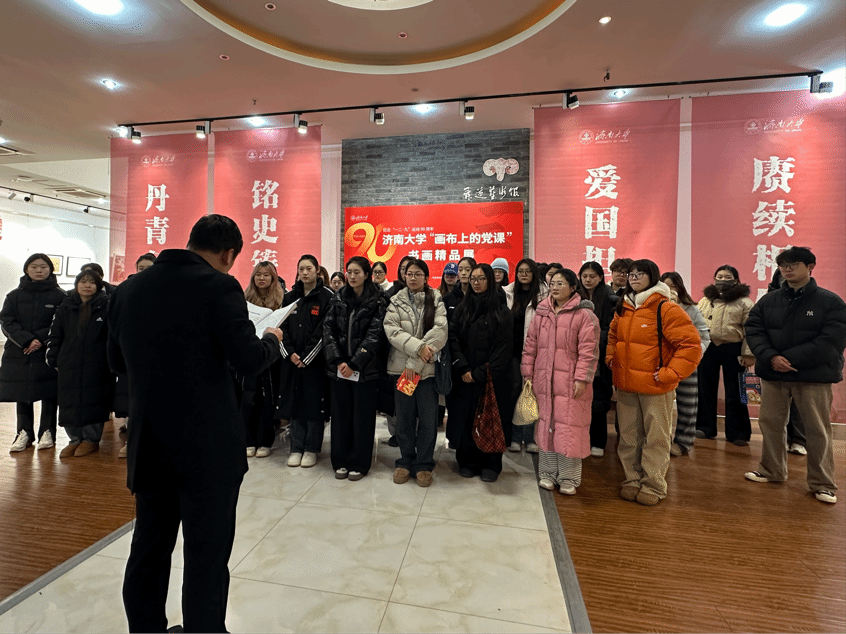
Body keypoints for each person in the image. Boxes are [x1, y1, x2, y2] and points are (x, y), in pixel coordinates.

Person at [108, 214, 282, 633]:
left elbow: (116, 362)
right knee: (206, 555)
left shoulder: (129, 288)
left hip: (150, 442)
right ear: (228, 254)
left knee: (148, 550)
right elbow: (249, 360)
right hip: (208, 448)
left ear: (190, 241)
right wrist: (270, 340)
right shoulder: (219, 286)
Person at [744, 247, 846, 505]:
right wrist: (771, 357)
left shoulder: (830, 302)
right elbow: (754, 329)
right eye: (783, 265)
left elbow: (832, 340)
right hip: (774, 373)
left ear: (810, 266)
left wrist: (790, 359)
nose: (787, 269)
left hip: (813, 376)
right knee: (770, 423)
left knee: (817, 429)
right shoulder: (769, 300)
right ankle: (771, 470)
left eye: (793, 264)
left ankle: (823, 483)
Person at [606, 259, 701, 506]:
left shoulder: (666, 308)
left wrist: (671, 373)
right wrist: (610, 358)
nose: (634, 278)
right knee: (629, 438)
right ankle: (632, 479)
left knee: (656, 438)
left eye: (640, 274)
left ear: (653, 277)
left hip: (655, 388)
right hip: (626, 385)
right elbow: (613, 336)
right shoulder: (624, 306)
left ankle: (654, 485)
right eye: (631, 274)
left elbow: (691, 345)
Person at [522, 269, 599, 494]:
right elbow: (531, 345)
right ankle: (547, 473)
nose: (555, 288)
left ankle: (568, 478)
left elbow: (589, 352)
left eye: (560, 284)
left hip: (571, 382)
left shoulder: (584, 315)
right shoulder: (542, 312)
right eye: (553, 284)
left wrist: (582, 378)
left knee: (569, 428)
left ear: (573, 287)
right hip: (543, 380)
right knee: (546, 425)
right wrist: (528, 373)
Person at [383, 259, 448, 487]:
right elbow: (392, 331)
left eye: (418, 274)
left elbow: (441, 331)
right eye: (409, 273)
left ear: (426, 277)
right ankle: (405, 461)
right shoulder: (396, 301)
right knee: (404, 419)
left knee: (428, 421)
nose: (412, 277)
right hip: (403, 371)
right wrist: (419, 349)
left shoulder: (436, 298)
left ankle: (424, 464)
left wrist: (416, 362)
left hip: (426, 373)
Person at [447, 264, 513, 482]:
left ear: (490, 281)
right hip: (464, 376)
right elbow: (452, 338)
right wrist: (463, 368)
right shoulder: (463, 308)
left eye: (481, 279)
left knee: (491, 420)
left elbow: (503, 348)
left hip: (491, 378)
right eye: (473, 278)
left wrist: (481, 372)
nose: (476, 283)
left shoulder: (501, 311)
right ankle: (466, 461)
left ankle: (490, 464)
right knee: (464, 418)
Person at [323, 256, 387, 481]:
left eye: (356, 272)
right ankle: (340, 460)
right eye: (349, 272)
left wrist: (354, 363)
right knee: (340, 417)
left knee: (362, 418)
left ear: (367, 274)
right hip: (340, 368)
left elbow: (375, 335)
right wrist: (339, 361)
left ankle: (359, 463)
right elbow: (328, 329)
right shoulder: (339, 297)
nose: (351, 276)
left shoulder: (378, 299)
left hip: (365, 370)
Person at [47, 269, 114, 457]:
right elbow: (55, 334)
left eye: (92, 282)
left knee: (93, 399)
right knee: (69, 400)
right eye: (83, 281)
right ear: (77, 285)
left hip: (98, 364)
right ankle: (74, 439)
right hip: (69, 363)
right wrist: (54, 358)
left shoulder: (107, 306)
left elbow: (113, 337)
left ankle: (91, 440)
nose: (87, 285)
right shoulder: (65, 306)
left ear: (98, 286)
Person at [2, 254, 65, 452]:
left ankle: (47, 431)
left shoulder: (60, 295)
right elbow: (6, 321)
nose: (39, 270)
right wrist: (26, 340)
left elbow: (60, 322)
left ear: (50, 269)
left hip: (48, 350)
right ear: (26, 269)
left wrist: (38, 340)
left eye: (43, 267)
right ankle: (24, 432)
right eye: (34, 266)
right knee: (22, 391)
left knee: (49, 391)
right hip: (20, 350)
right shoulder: (14, 296)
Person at [278, 255, 335, 467]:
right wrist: (290, 353)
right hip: (292, 361)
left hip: (316, 363)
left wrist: (307, 357)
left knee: (314, 405)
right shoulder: (289, 297)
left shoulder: (327, 296)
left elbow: (325, 330)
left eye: (308, 268)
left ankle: (311, 448)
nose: (304, 272)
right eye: (301, 268)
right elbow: (281, 326)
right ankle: (296, 447)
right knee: (295, 404)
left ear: (317, 270)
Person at [695, 265, 755, 445]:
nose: (722, 280)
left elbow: (751, 331)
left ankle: (738, 433)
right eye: (719, 276)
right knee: (704, 389)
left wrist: (748, 354)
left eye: (727, 277)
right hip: (708, 348)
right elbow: (696, 325)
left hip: (734, 349)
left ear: (736, 280)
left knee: (736, 391)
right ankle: (705, 427)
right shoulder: (705, 300)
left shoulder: (745, 302)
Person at [660, 272, 710, 456]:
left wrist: (692, 357)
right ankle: (660, 442)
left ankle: (683, 442)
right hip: (661, 365)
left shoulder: (691, 308)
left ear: (680, 288)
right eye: (665, 285)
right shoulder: (653, 307)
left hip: (686, 363)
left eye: (673, 286)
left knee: (688, 404)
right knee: (660, 406)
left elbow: (704, 337)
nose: (669, 289)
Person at [503, 258, 548, 453]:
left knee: (532, 393)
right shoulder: (507, 293)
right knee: (514, 392)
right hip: (512, 352)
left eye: (528, 271)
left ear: (534, 273)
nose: (523, 274)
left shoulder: (545, 295)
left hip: (536, 352)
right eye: (520, 271)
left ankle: (530, 438)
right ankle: (514, 437)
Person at [242, 260, 286, 458]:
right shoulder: (244, 298)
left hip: (272, 355)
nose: (261, 278)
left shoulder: (282, 298)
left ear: (273, 277)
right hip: (251, 353)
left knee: (267, 399)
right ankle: (248, 440)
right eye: (258, 275)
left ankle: (265, 441)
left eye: (266, 275)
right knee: (248, 398)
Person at [578, 261, 620, 457]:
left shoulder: (610, 298)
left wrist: (592, 338)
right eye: (584, 276)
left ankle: (598, 441)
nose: (588, 280)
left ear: (601, 278)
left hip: (600, 358)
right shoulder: (574, 296)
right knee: (579, 402)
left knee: (599, 402)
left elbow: (611, 329)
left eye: (592, 276)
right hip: (578, 356)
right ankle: (581, 439)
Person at [443, 256, 476, 322]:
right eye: (460, 270)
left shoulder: (479, 295)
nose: (463, 273)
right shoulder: (448, 297)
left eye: (467, 270)